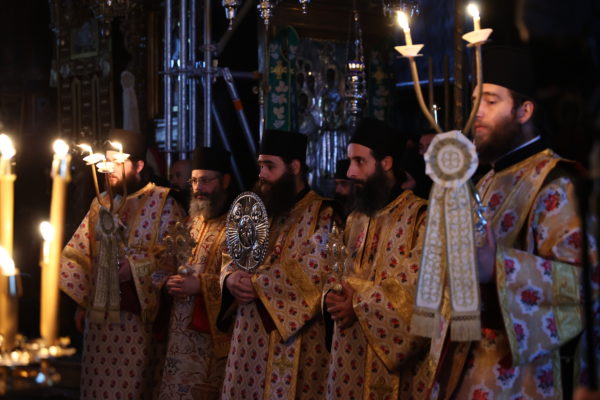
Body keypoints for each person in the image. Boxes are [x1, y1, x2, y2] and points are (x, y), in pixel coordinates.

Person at [432, 46, 591, 399]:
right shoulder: (485, 181)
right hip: (465, 368)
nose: (476, 112)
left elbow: (583, 287)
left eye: (490, 101)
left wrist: (498, 268)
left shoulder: (558, 182)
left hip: (523, 381)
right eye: (475, 101)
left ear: (524, 111)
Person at [59, 128, 185, 400]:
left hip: (137, 322)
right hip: (99, 322)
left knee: (132, 390)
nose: (109, 169)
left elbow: (176, 258)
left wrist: (137, 268)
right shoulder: (100, 203)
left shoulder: (164, 202)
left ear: (138, 165)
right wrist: (82, 304)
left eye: (117, 162)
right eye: (106, 161)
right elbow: (81, 254)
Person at [218, 129, 337, 399]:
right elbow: (230, 254)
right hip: (247, 339)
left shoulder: (324, 214)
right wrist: (229, 278)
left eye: (270, 166)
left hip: (296, 342)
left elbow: (315, 271)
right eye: (260, 166)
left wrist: (259, 285)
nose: (262, 174)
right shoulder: (259, 210)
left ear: (294, 167)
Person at [323, 117, 434, 399]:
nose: (350, 172)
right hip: (350, 358)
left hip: (398, 368)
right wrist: (332, 297)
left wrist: (359, 305)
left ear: (386, 163)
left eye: (359, 162)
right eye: (350, 161)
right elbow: (333, 270)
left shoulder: (422, 217)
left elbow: (420, 284)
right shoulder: (356, 218)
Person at [158, 147, 234, 400]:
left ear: (225, 181)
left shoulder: (238, 228)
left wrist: (201, 285)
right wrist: (166, 281)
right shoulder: (186, 224)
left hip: (213, 341)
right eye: (193, 181)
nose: (198, 188)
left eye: (205, 180)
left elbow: (244, 282)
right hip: (177, 339)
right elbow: (162, 266)